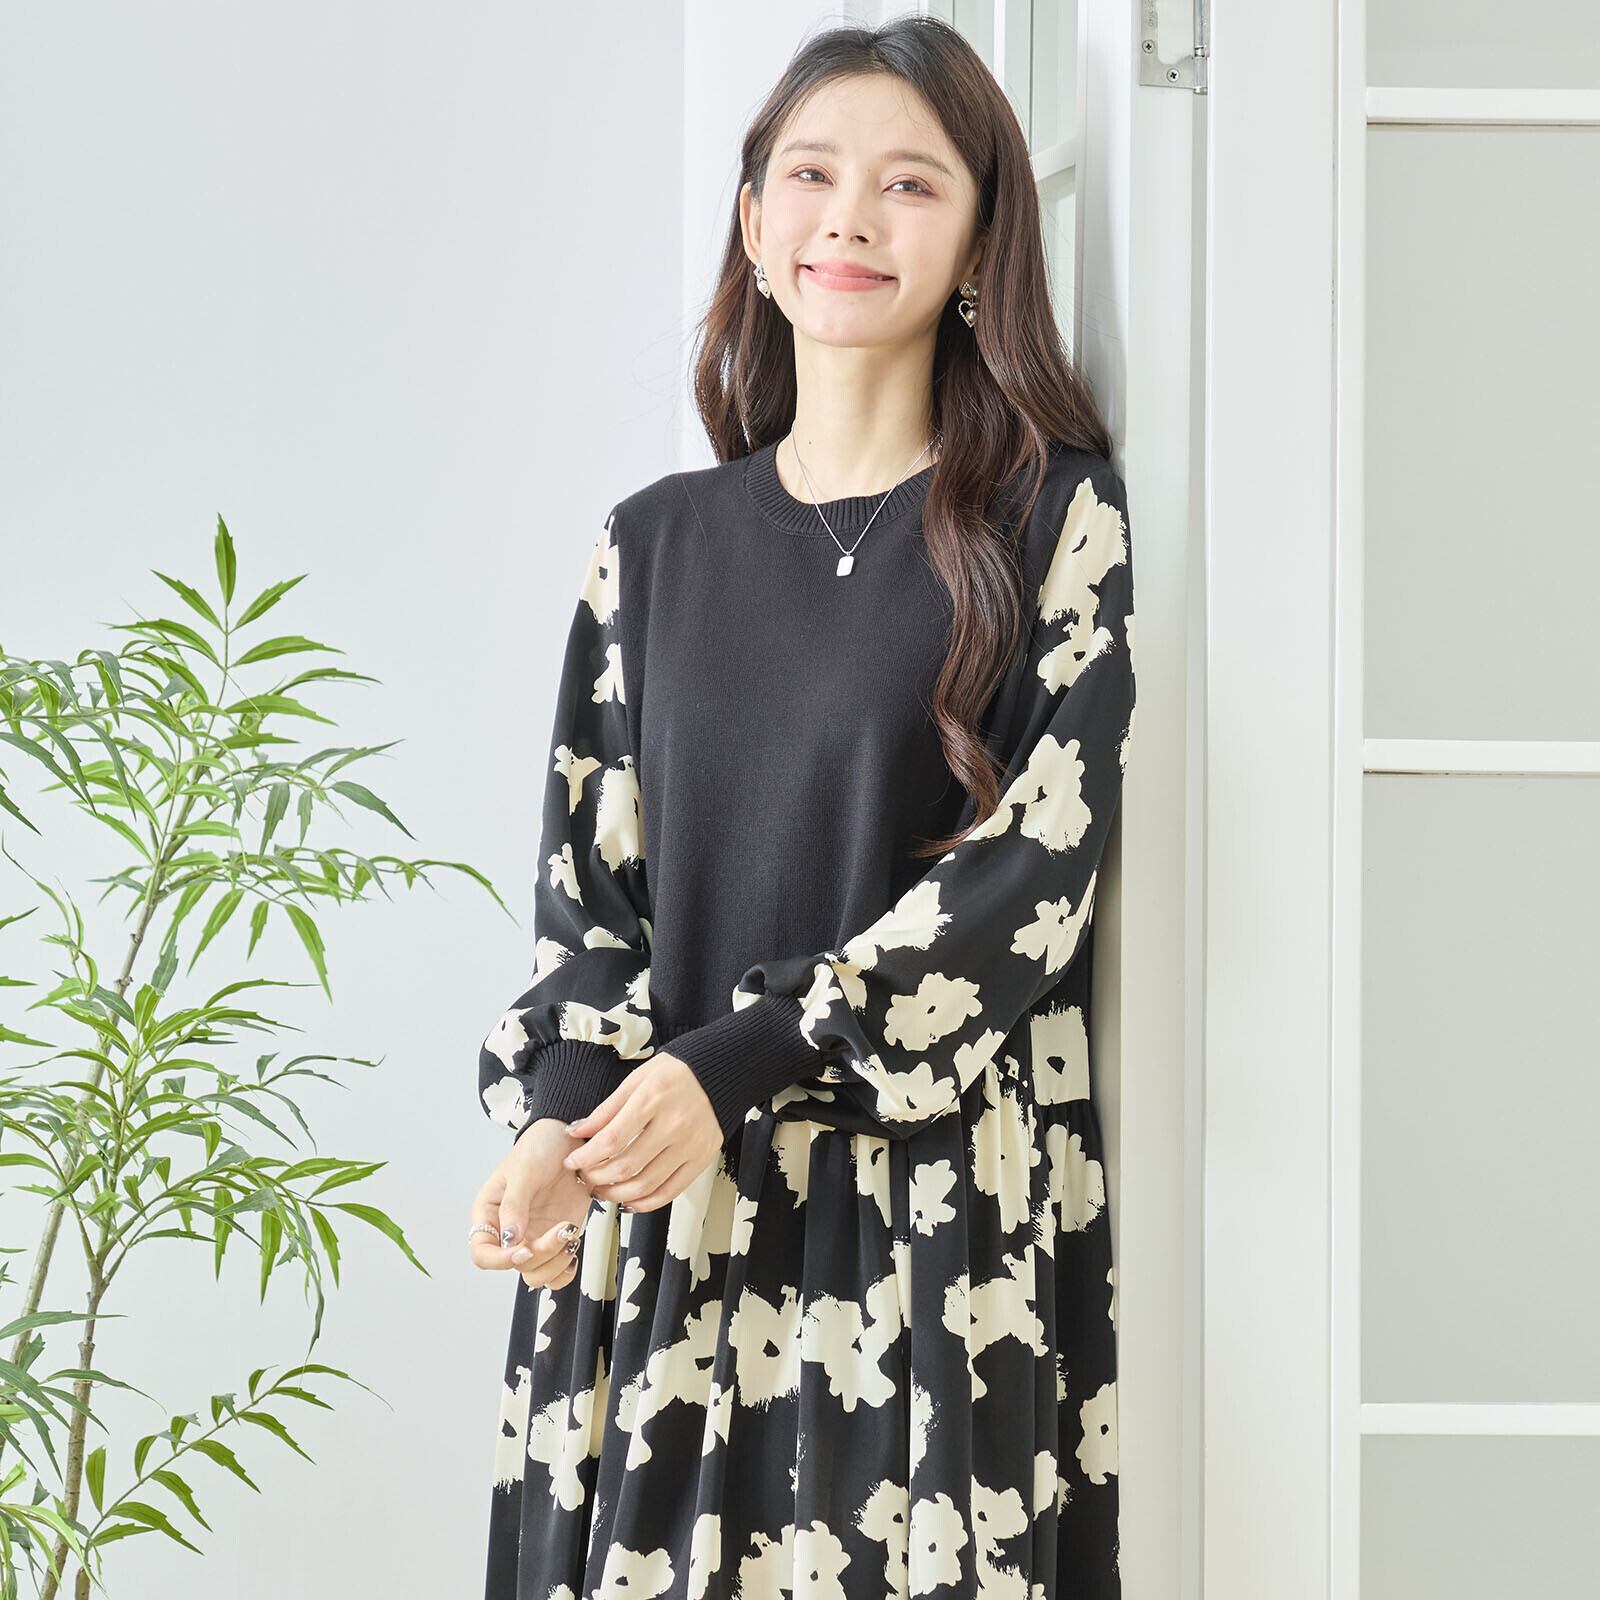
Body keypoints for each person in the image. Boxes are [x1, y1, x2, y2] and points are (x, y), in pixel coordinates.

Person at [468, 17, 1135, 1598]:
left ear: (979, 243)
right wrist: (560, 1124)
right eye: (813, 176)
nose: (852, 218)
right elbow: (590, 898)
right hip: (663, 1211)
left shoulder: (1053, 519)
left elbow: (1031, 875)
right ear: (756, 224)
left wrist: (745, 1059)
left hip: (922, 1237)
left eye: (911, 184)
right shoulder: (653, 546)